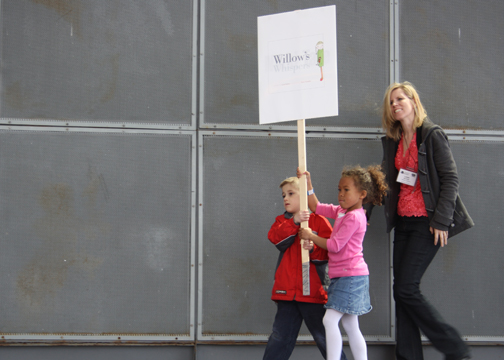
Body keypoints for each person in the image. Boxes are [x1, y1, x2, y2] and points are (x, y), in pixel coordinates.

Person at [379, 81, 474, 360]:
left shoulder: (432, 134)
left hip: (427, 222)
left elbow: (450, 179)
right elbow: (388, 182)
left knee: (407, 287)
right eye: (391, 102)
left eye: (400, 99)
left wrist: (442, 221)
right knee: (402, 292)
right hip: (404, 222)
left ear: (413, 101)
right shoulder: (394, 140)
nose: (395, 104)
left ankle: (454, 347)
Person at [297, 165, 388, 360]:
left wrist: (310, 236)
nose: (341, 194)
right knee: (350, 325)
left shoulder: (354, 217)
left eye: (346, 190)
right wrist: (309, 186)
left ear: (362, 194)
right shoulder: (342, 211)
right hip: (345, 276)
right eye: (339, 189)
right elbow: (316, 207)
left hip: (351, 276)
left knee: (330, 320)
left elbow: (334, 245)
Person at [264, 176, 348, 360]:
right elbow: (276, 238)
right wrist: (294, 221)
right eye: (283, 195)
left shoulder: (318, 221)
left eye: (291, 194)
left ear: (303, 197)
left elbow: (329, 251)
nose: (285, 198)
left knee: (325, 338)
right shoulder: (282, 221)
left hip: (313, 294)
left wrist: (314, 248)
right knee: (280, 338)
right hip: (286, 292)